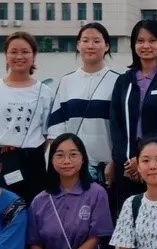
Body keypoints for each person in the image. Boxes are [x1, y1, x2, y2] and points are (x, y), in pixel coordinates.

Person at [109, 19, 157, 244]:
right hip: (127, 169)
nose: (146, 45)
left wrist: (144, 160)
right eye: (140, 41)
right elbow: (116, 125)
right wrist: (128, 161)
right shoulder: (123, 81)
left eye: (152, 40)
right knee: (130, 230)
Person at [0, 31, 53, 203]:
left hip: (33, 163)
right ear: (6, 55)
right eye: (13, 52)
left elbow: (46, 134)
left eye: (25, 52)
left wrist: (26, 156)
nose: (19, 56)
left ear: (34, 56)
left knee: (33, 211)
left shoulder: (45, 92)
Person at [48, 23, 121, 186]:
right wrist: (64, 159)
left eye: (96, 41)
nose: (90, 46)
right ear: (78, 45)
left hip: (108, 169)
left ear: (107, 46)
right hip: (73, 168)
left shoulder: (119, 81)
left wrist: (116, 161)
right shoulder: (67, 81)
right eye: (85, 40)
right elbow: (56, 129)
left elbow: (124, 129)